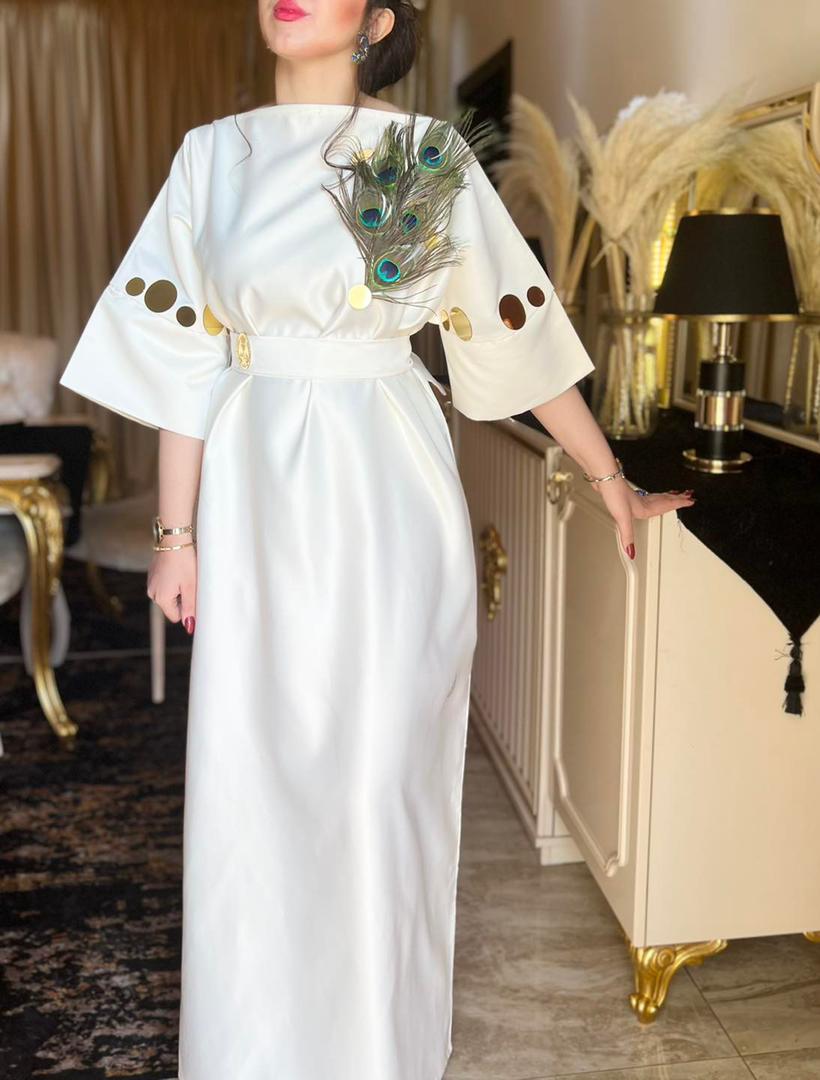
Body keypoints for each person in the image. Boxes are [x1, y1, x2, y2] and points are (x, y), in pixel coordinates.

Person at [58, 1, 695, 1076]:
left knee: (378, 781)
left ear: (378, 18)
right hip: (255, 490)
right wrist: (176, 535)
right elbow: (182, 359)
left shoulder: (420, 156)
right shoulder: (212, 157)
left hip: (388, 491)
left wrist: (610, 478)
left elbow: (511, 332)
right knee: (254, 781)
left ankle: (374, 1050)